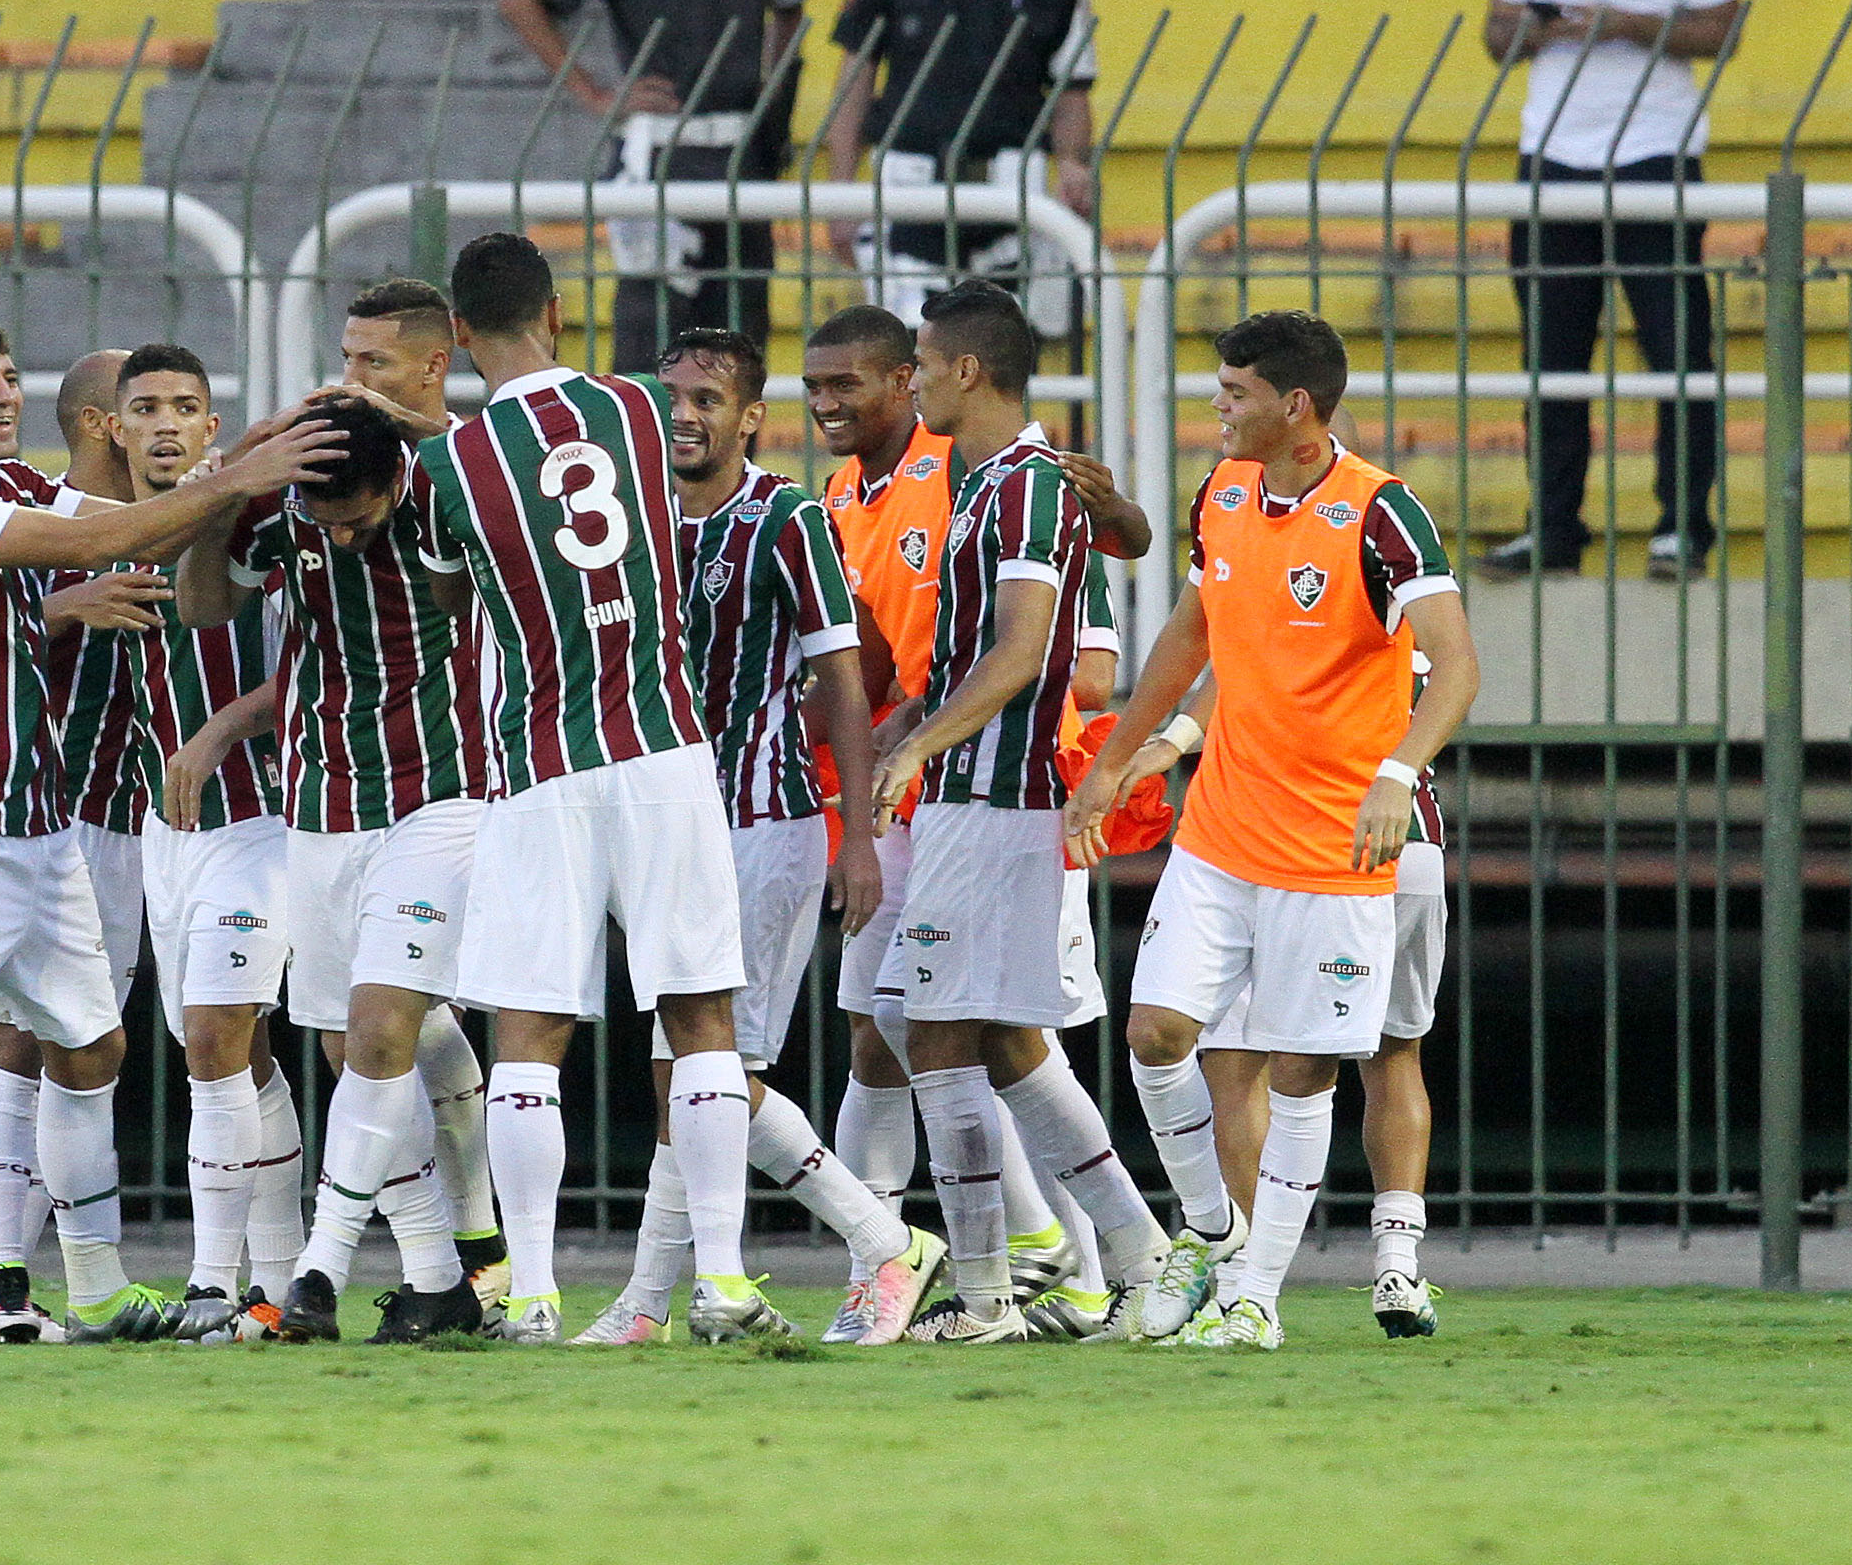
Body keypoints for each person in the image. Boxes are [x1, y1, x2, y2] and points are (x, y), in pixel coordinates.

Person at [0, 313, 342, 1346]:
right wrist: (238, 475)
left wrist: (279, 438)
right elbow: (101, 535)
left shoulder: (18, 485)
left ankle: (99, 1284)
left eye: (7, 376)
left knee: (90, 1043)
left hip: (42, 824)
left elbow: (138, 519)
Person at [1069, 309, 1478, 1350]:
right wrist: (1120, 756)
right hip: (1220, 834)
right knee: (1156, 1035)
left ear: (1295, 406)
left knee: (1304, 1069)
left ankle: (1256, 1296)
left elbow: (1457, 666)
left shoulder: (1384, 515)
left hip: (1333, 852)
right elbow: (1191, 633)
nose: (1218, 405)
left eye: (1235, 391)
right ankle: (1214, 1235)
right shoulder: (1223, 495)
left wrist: (1397, 773)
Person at [415, 232, 765, 1345]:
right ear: (558, 314)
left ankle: (533, 1293)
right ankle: (721, 1282)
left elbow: (443, 582)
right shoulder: (640, 412)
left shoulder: (449, 467)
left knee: (530, 1032)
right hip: (664, 746)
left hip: (541, 764)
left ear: (460, 335)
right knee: (701, 1012)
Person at [571, 327, 946, 1347]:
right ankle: (654, 1300)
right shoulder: (628, 519)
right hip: (665, 826)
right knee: (680, 1070)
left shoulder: (785, 516)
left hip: (767, 818)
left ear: (748, 418)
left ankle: (882, 1242)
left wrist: (858, 838)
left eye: (706, 399)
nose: (684, 414)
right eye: (670, 396)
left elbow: (847, 676)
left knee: (719, 1069)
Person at [799, 303, 1152, 1342]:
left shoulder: (1023, 485)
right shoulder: (985, 484)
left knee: (949, 1032)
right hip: (958, 794)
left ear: (961, 368)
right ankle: (1121, 1258)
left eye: (916, 367)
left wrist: (919, 743)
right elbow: (958, 655)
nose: (912, 385)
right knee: (973, 1036)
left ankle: (1014, 1285)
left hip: (1001, 797)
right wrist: (906, 724)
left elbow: (1027, 651)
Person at [172, 280, 509, 1339]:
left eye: (376, 364)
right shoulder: (298, 483)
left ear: (432, 364)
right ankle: (443, 1276)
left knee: (377, 1030)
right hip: (321, 803)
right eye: (348, 359)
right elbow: (204, 603)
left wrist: (425, 451)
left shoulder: (464, 479)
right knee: (364, 1045)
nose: (353, 377)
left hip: (440, 791)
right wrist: (234, 484)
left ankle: (314, 1275)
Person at [90, 343, 313, 1344]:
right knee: (243, 1054)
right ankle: (283, 1280)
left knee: (219, 1041)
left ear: (213, 430)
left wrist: (224, 727)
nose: (169, 422)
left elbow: (321, 662)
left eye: (189, 405)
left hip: (262, 821)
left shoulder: (258, 531)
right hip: (166, 840)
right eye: (148, 407)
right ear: (117, 427)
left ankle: (213, 1283)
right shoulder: (100, 541)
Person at [0, 347, 169, 1343]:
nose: (165, 427)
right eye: (143, 408)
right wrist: (58, 605)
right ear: (96, 423)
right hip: (36, 812)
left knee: (78, 1044)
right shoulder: (24, 511)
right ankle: (0, 1280)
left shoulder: (172, 523)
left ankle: (24, 1285)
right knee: (20, 1034)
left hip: (126, 828)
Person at [1125, 664, 1447, 1339]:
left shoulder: (1302, 582)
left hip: (1299, 844)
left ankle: (1239, 1280)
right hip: (1408, 839)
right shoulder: (1407, 590)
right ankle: (1396, 1262)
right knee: (1391, 1054)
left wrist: (1180, 734)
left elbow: (1243, 665)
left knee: (1244, 1061)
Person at [1477, 0, 1746, 580]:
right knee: (1550, 353)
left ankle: (1682, 529)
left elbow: (1724, 30)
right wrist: (1542, 28)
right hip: (1550, 154)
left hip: (1657, 152)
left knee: (1676, 346)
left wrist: (1630, 24)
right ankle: (1552, 529)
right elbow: (1496, 34)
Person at [497, 0, 805, 374]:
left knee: (740, 348)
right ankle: (640, 445)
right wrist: (596, 96)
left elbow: (791, 4)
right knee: (651, 341)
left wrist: (771, 93)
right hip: (658, 156)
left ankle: (737, 449)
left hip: (741, 156)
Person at [823, 0, 1095, 333]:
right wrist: (840, 191)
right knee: (908, 354)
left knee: (1002, 356)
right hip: (908, 186)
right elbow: (856, 72)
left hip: (1011, 190)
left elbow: (1071, 91)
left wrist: (1073, 164)